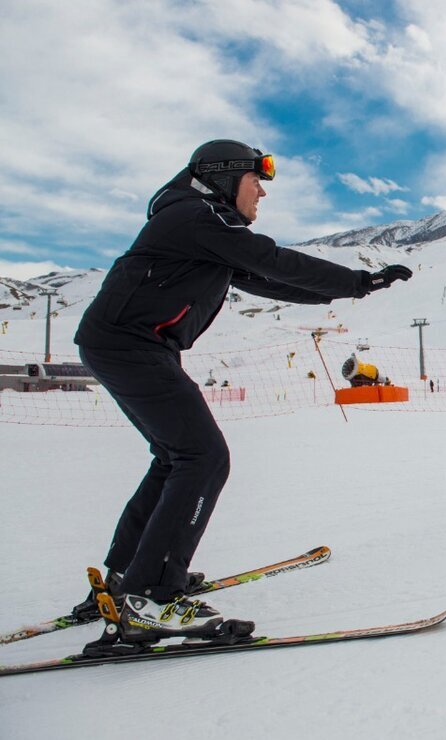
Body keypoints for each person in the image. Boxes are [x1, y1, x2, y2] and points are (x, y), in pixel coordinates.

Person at [73, 140, 412, 651]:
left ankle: (128, 577)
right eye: (257, 182)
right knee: (203, 457)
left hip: (128, 345)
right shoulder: (196, 216)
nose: (262, 194)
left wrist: (360, 286)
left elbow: (267, 279)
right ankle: (151, 598)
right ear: (225, 178)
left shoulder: (198, 226)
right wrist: (357, 279)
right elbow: (270, 258)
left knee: (176, 457)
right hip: (131, 346)